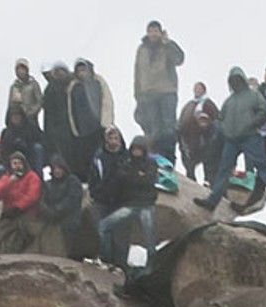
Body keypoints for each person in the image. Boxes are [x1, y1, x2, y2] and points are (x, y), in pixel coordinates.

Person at [195, 67, 266, 215]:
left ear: (242, 80)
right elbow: (220, 119)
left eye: (238, 80)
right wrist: (224, 129)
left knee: (263, 166)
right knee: (224, 171)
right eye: (233, 80)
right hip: (231, 140)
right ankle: (212, 201)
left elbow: (264, 111)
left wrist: (252, 124)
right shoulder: (229, 101)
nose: (235, 83)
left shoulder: (253, 95)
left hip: (250, 137)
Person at [96, 134, 160, 276]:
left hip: (146, 205)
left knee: (150, 237)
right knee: (103, 226)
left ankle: (152, 266)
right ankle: (105, 259)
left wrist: (133, 178)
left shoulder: (151, 164)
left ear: (144, 150)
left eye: (139, 149)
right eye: (134, 149)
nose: (136, 152)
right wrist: (138, 176)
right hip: (130, 205)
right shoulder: (126, 163)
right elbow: (123, 179)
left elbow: (148, 181)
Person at [132, 20, 186, 162]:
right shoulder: (141, 49)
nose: (153, 34)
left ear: (160, 32)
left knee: (168, 127)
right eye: (151, 31)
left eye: (156, 31)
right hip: (148, 93)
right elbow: (137, 73)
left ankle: (169, 159)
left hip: (166, 91)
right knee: (154, 129)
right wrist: (137, 95)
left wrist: (168, 43)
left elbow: (179, 59)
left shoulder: (166, 46)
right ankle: (157, 158)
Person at [0, 149, 44, 254]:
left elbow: (32, 196)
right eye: (14, 163)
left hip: (27, 213)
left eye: (20, 163)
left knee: (23, 234)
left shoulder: (32, 177)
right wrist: (9, 183)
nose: (17, 166)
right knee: (0, 235)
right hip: (9, 213)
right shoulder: (7, 178)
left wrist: (18, 207)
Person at [36, 154, 85, 257]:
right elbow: (43, 199)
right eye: (54, 168)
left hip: (68, 219)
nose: (57, 171)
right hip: (51, 219)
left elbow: (71, 200)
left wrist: (56, 211)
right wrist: (46, 210)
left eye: (59, 168)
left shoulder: (72, 181)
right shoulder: (49, 184)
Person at [177, 81, 218, 184]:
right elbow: (182, 121)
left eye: (199, 88)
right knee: (189, 165)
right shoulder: (189, 105)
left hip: (204, 140)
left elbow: (217, 119)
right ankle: (191, 182)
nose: (197, 90)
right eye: (196, 88)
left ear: (204, 90)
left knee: (207, 161)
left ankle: (207, 181)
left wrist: (207, 128)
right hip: (189, 141)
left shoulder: (208, 104)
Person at [7, 58, 43, 126]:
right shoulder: (14, 86)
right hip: (17, 120)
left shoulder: (33, 84)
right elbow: (10, 104)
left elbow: (39, 101)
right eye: (18, 70)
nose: (20, 72)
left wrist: (32, 113)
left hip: (31, 119)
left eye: (22, 69)